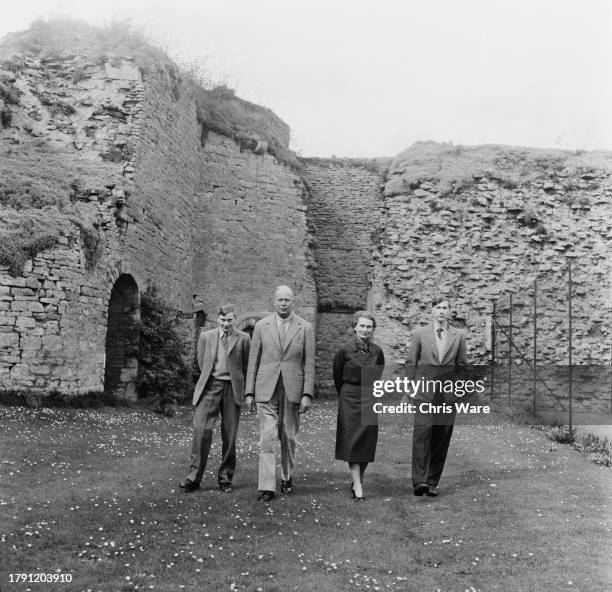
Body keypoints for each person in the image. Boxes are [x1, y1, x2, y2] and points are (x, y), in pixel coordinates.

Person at [244, 285, 315, 502]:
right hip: (266, 388)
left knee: (288, 436)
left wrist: (307, 394)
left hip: (292, 389)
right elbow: (253, 361)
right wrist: (249, 392)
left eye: (287, 300)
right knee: (267, 437)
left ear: (293, 302)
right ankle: (266, 486)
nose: (283, 303)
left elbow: (309, 363)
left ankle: (286, 476)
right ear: (273, 302)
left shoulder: (305, 327)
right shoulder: (261, 326)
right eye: (280, 300)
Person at [179, 304, 251, 493]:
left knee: (230, 435)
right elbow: (202, 363)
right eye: (223, 320)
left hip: (232, 389)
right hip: (210, 387)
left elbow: (247, 367)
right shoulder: (206, 337)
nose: (226, 324)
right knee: (201, 430)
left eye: (230, 320)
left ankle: (225, 479)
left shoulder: (244, 339)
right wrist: (212, 380)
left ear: (235, 320)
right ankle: (193, 479)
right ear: (218, 319)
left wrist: (245, 390)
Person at [406, 296, 467, 497]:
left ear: (449, 311)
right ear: (432, 311)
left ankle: (432, 482)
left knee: (441, 437)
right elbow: (411, 363)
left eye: (445, 308)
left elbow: (462, 366)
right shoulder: (419, 334)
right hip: (424, 393)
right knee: (422, 434)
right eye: (438, 307)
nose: (442, 311)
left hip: (447, 396)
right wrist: (409, 390)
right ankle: (420, 481)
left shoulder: (458, 335)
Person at [334, 311, 384, 501]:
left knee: (366, 441)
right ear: (355, 326)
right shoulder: (344, 350)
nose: (365, 330)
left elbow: (378, 375)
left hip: (369, 397)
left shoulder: (377, 351)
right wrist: (347, 394)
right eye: (362, 326)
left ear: (373, 329)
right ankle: (357, 484)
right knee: (352, 441)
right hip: (350, 397)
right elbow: (337, 376)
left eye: (369, 327)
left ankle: (358, 480)